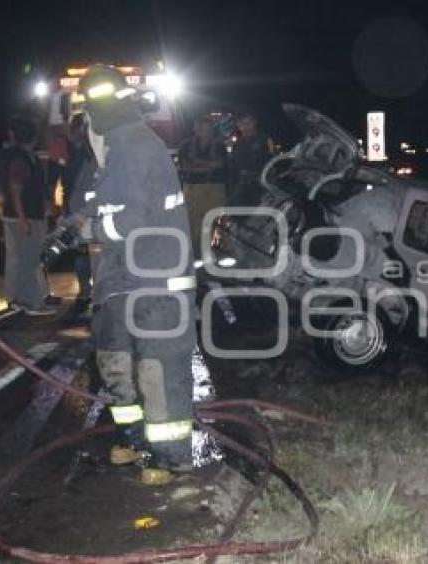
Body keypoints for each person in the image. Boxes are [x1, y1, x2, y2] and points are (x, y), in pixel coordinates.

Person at [75, 65, 197, 484]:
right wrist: (70, 227)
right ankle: (134, 439)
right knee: (116, 365)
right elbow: (88, 205)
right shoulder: (106, 157)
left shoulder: (138, 145)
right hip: (119, 283)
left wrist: (91, 230)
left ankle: (172, 456)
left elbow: (135, 219)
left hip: (156, 282)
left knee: (157, 370)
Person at [0, 116, 57, 316]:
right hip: (24, 216)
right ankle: (32, 302)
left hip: (25, 215)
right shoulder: (21, 159)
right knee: (29, 260)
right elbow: (16, 189)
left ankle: (21, 300)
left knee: (23, 259)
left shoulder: (27, 157)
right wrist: (23, 218)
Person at [60, 114, 96, 324]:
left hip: (89, 210)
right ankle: (85, 293)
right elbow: (67, 181)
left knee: (93, 252)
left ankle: (92, 294)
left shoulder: (92, 151)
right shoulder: (72, 151)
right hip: (77, 209)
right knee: (81, 252)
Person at [179, 116, 227, 258]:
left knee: (216, 222)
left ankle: (218, 253)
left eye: (208, 128)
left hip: (214, 189)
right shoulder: (185, 145)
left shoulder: (219, 145)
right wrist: (208, 165)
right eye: (201, 128)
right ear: (195, 129)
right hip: (192, 189)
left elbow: (219, 164)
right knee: (192, 223)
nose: (205, 131)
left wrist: (197, 162)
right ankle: (195, 255)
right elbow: (186, 167)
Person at [228, 112, 274, 207]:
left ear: (254, 122)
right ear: (238, 126)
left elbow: (272, 160)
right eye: (242, 124)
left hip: (261, 182)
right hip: (242, 182)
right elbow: (233, 164)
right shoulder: (237, 143)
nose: (245, 126)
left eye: (248, 123)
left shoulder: (265, 139)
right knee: (235, 209)